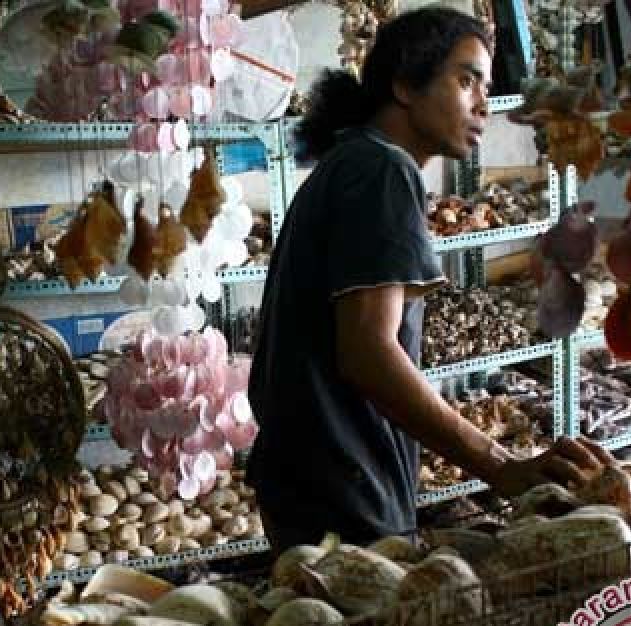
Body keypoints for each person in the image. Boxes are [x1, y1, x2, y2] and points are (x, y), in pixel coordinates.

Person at [245, 6, 607, 551]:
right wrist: (499, 464)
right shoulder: (383, 171)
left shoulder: (351, 163)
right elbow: (368, 352)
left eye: (486, 86)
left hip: (312, 481)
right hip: (343, 488)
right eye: (466, 81)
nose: (483, 104)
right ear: (405, 86)